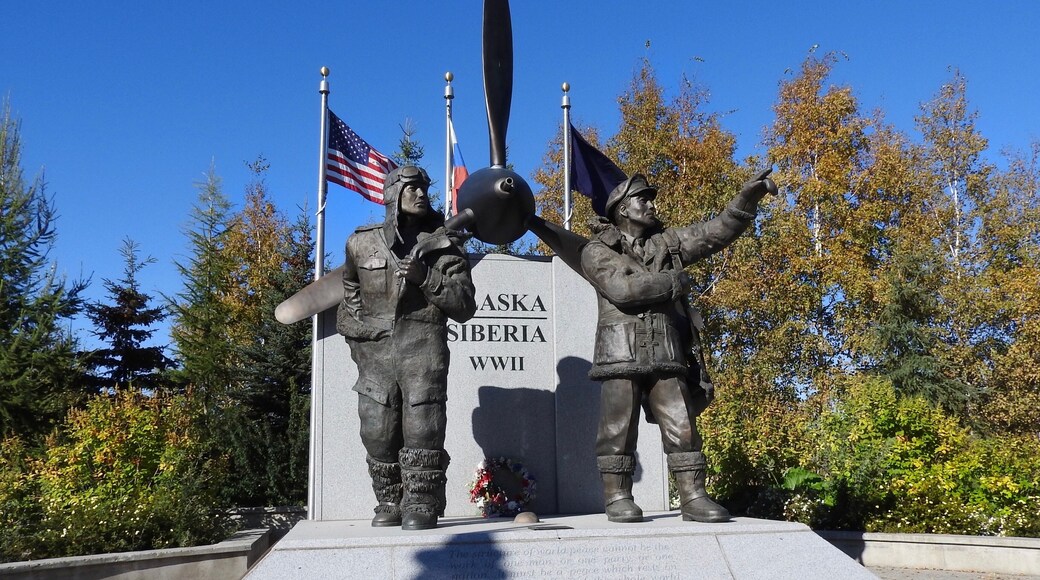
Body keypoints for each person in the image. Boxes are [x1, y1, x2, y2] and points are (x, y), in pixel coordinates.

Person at [580, 169, 775, 523]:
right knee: (617, 428)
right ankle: (617, 496)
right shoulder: (597, 250)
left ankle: (693, 495)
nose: (651, 204)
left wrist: (747, 197)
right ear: (623, 209)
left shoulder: (666, 244)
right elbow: (623, 291)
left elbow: (715, 232)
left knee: (682, 424)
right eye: (643, 198)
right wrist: (675, 281)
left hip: (664, 349)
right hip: (620, 352)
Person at [336, 165, 477, 530]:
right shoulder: (360, 242)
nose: (421, 194)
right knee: (376, 429)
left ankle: (420, 502)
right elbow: (349, 295)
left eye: (425, 188)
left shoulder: (447, 246)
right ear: (392, 194)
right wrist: (361, 339)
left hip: (423, 350)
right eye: (413, 187)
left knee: (423, 427)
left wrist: (425, 277)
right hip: (376, 355)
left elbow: (464, 305)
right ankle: (389, 499)